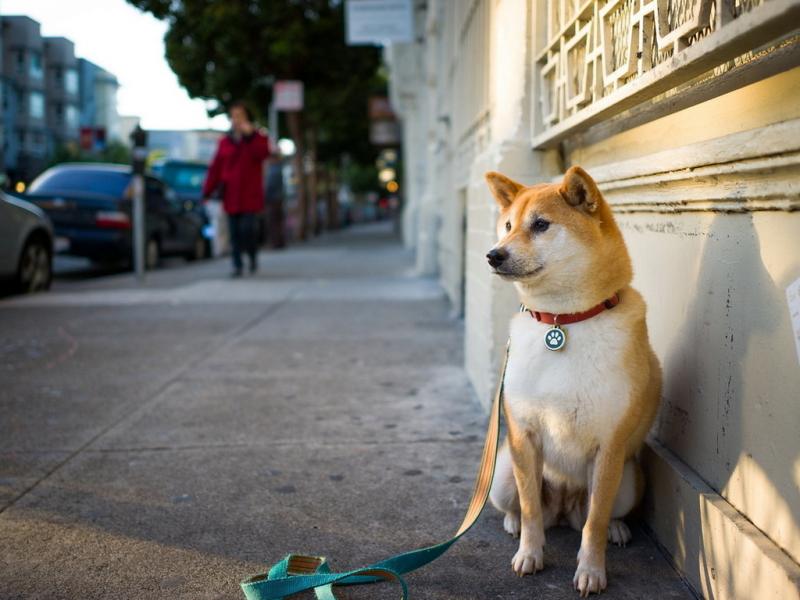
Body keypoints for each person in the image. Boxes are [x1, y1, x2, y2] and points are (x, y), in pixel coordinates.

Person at [202, 101, 270, 277]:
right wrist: (207, 192)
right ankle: (237, 265)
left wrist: (251, 136)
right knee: (234, 232)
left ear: (247, 118)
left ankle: (252, 256)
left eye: (240, 116)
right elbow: (215, 168)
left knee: (247, 229)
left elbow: (263, 154)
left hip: (250, 195)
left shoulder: (257, 138)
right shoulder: (225, 142)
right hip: (231, 195)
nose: (237, 120)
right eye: (233, 116)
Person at [263, 149, 286, 249]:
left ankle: (275, 243)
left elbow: (269, 186)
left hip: (273, 200)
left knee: (272, 222)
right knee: (278, 222)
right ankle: (279, 242)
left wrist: (264, 197)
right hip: (278, 199)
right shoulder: (279, 168)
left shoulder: (274, 170)